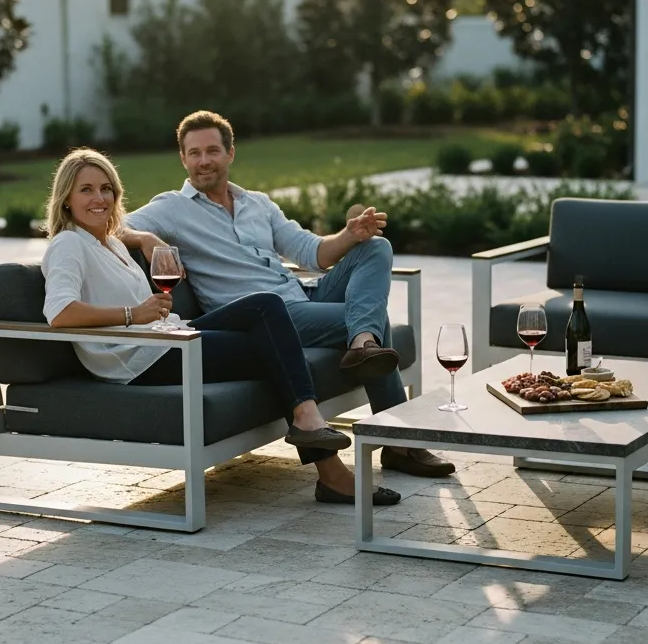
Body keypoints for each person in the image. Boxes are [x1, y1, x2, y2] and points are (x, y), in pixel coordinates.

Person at [121, 110, 456, 504]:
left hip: (303, 296)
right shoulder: (171, 208)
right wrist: (144, 237)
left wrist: (349, 235)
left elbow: (313, 253)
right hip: (261, 316)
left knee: (375, 248)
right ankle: (395, 430)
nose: (203, 160)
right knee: (370, 317)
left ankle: (363, 345)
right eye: (193, 153)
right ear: (183, 158)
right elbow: (107, 225)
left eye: (212, 150)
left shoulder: (257, 204)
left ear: (231, 153)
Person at [40, 149, 402, 493]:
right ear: (66, 198)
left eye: (106, 189)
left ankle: (321, 432)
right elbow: (60, 313)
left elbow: (123, 229)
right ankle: (327, 461)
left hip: (170, 338)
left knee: (265, 306)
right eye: (86, 190)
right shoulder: (68, 244)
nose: (98, 198)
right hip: (140, 359)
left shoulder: (110, 243)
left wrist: (145, 244)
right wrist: (134, 313)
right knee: (274, 346)